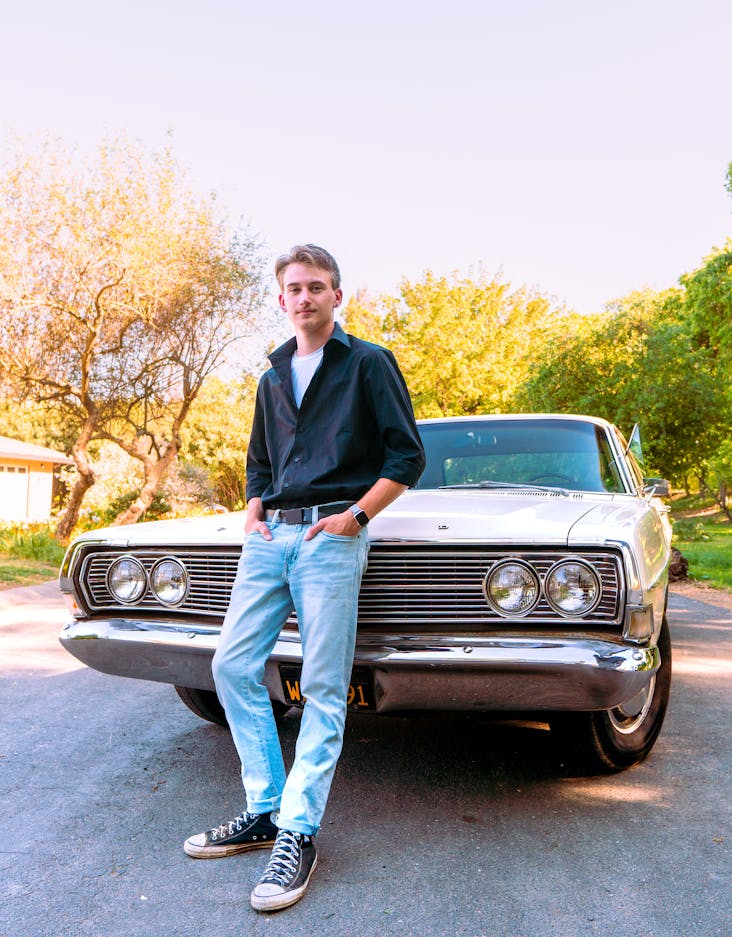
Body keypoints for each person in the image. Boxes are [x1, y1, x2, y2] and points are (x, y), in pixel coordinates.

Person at [183, 244, 425, 912]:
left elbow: (408, 455)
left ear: (337, 297)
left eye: (317, 286)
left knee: (321, 686)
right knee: (232, 665)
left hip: (329, 538)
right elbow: (260, 461)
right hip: (270, 539)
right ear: (281, 298)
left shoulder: (368, 363)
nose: (305, 297)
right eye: (294, 287)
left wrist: (353, 516)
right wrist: (254, 511)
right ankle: (264, 806)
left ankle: (298, 829)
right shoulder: (270, 379)